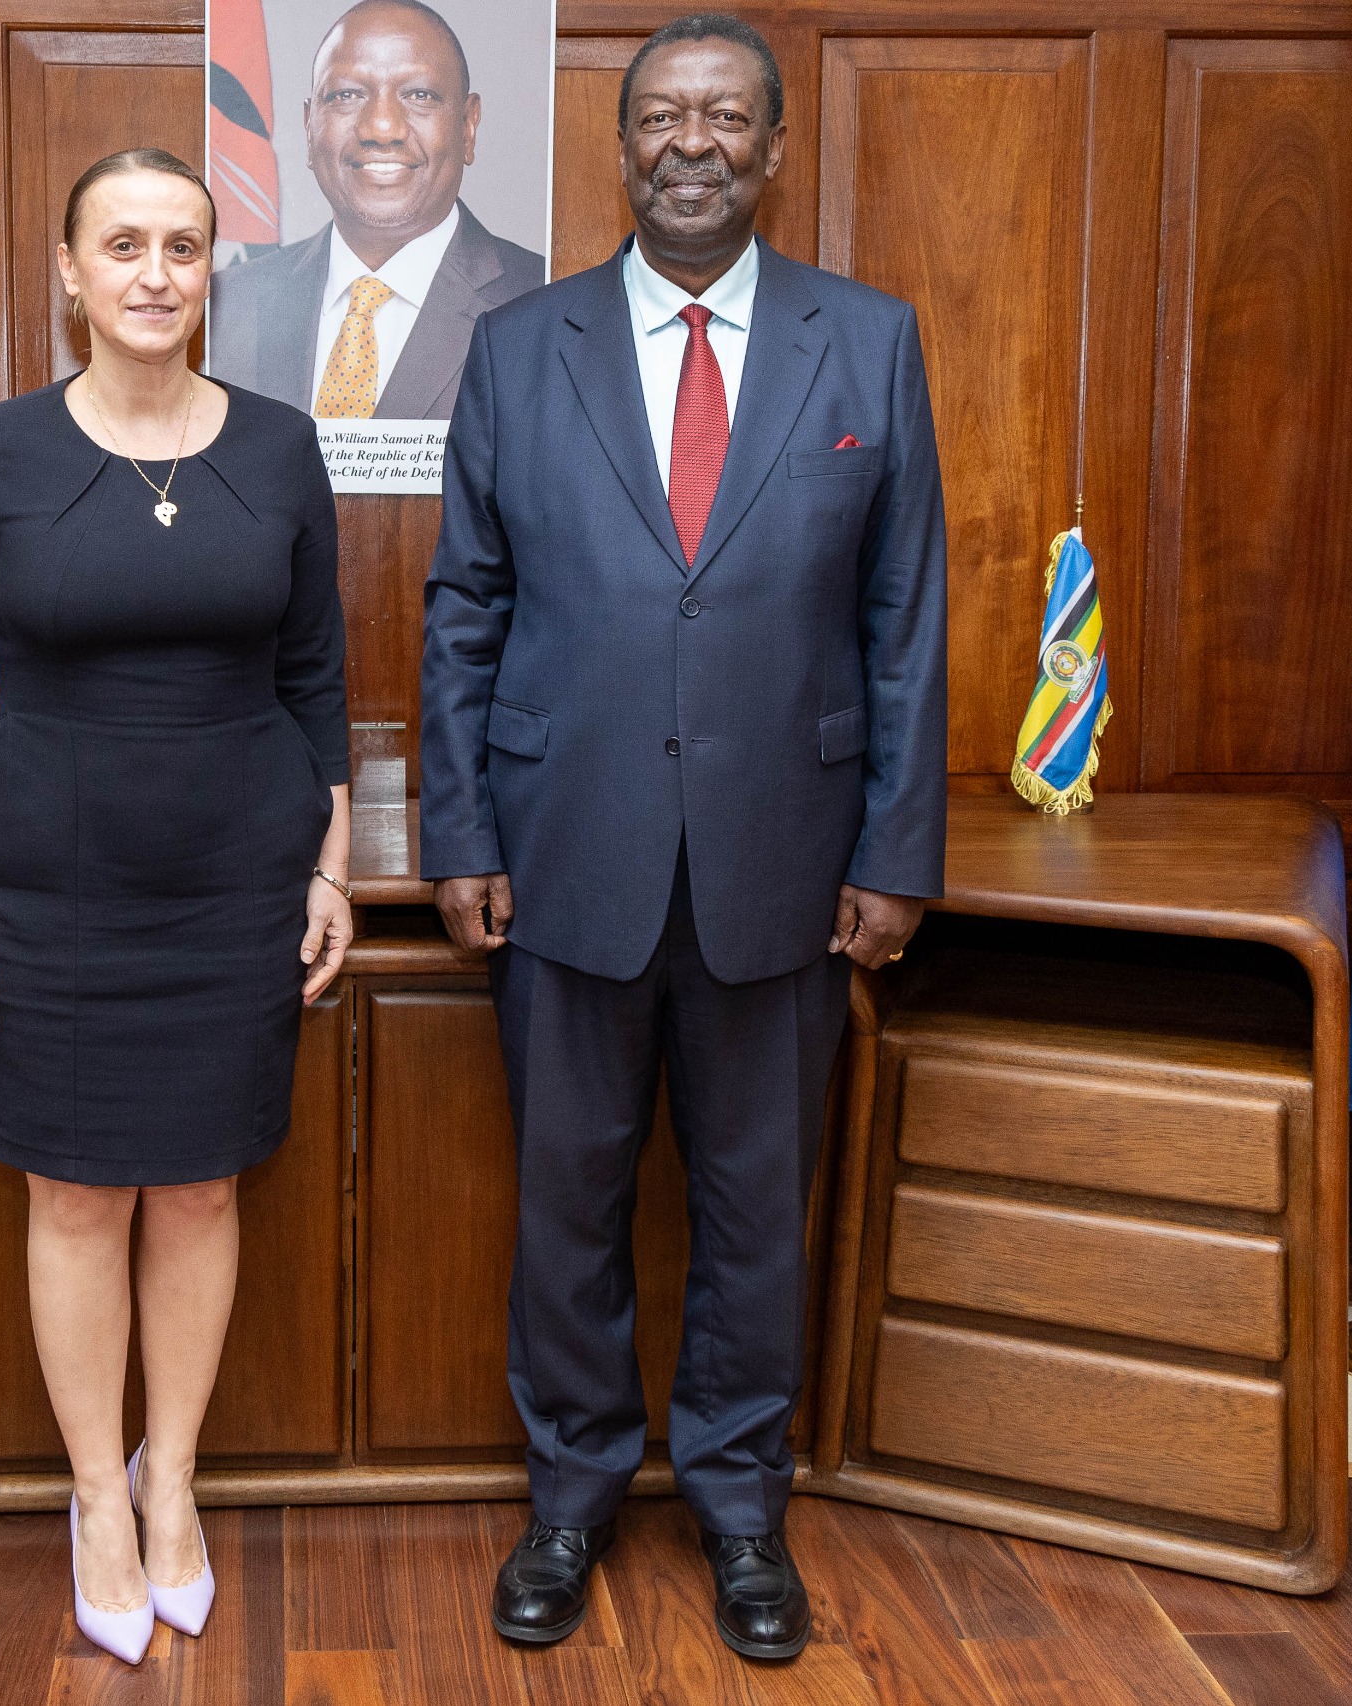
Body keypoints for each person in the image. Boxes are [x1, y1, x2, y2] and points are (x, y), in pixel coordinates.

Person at [417, 13, 948, 1663]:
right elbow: (465, 612)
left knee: (750, 1206)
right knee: (567, 1206)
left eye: (725, 117)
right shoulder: (520, 345)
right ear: (623, 143)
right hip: (564, 853)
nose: (691, 143)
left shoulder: (869, 342)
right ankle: (569, 1498)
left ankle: (738, 1508)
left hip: (789, 869)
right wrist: (460, 829)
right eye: (662, 117)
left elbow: (906, 618)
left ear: (775, 147)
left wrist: (895, 852)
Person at [0, 147, 354, 1666]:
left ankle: (177, 1480)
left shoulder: (283, 450)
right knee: (78, 1192)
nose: (156, 273)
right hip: (52, 887)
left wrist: (332, 864)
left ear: (212, 269)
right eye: (124, 245)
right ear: (70, 270)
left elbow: (318, 682)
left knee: (208, 1185)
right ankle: (96, 1494)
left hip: (237, 877)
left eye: (183, 245)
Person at [208, 0, 545, 420]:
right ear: (310, 127)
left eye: (419, 95)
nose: (381, 128)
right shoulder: (224, 304)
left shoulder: (543, 301)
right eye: (348, 95)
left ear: (468, 125)